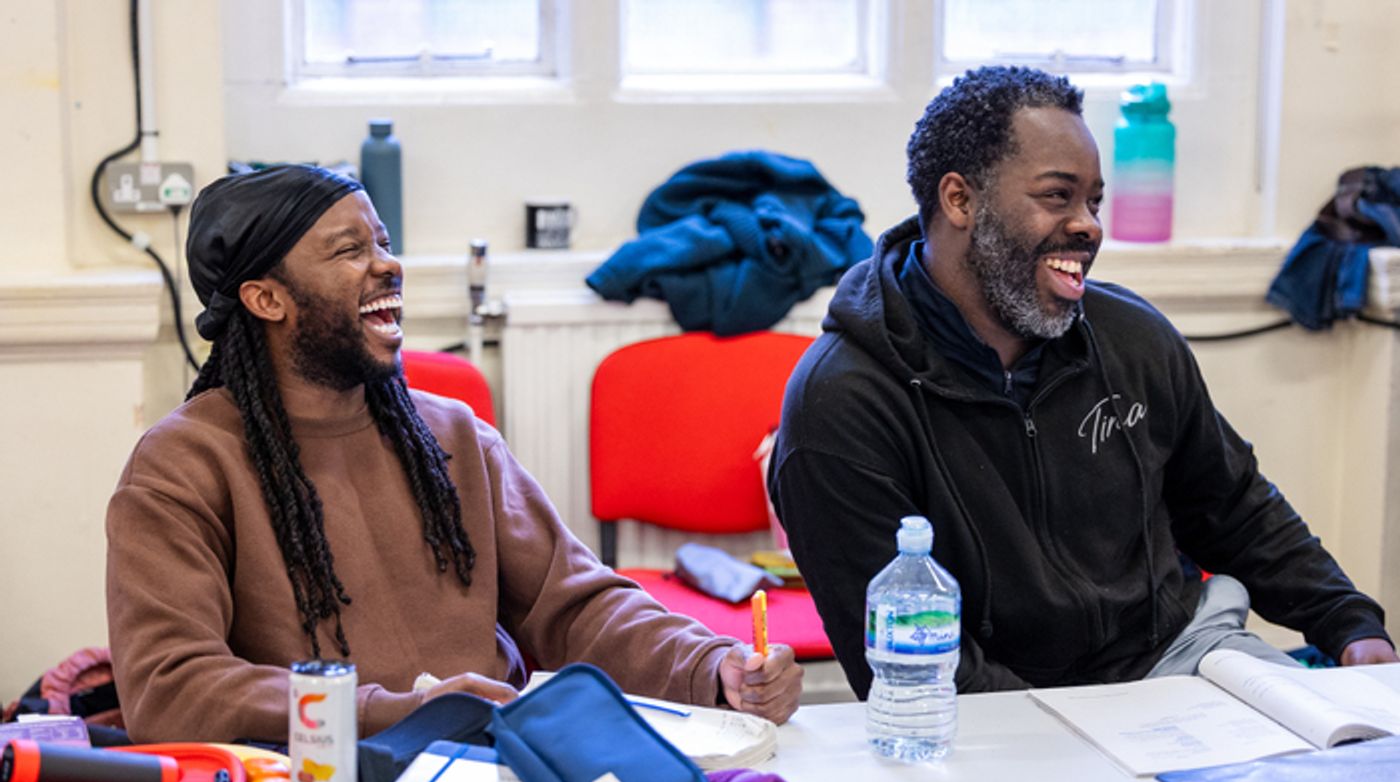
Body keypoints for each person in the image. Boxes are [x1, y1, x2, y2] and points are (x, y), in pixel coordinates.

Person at [107, 164, 802, 743]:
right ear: (266, 298)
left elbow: (577, 604)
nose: (388, 265)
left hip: (498, 766)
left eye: (382, 242)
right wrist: (396, 714)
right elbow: (172, 691)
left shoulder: (452, 437)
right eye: (349, 251)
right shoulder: (183, 465)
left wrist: (714, 667)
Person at [768, 66, 1395, 699]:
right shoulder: (842, 403)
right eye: (1056, 196)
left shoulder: (1133, 337)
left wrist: (1349, 622)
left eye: (1094, 200)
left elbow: (1232, 507)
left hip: (1184, 655)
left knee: (1349, 775)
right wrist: (1079, 741)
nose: (1089, 225)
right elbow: (918, 668)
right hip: (995, 715)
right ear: (960, 199)